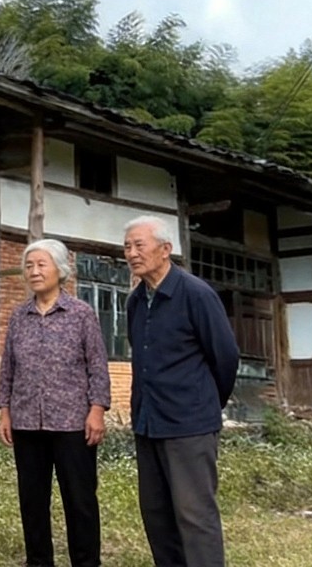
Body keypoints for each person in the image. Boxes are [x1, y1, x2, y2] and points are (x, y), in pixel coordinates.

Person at [123, 216, 239, 567]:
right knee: (156, 513)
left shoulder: (195, 294)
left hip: (190, 425)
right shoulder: (136, 302)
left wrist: (202, 406)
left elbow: (225, 357)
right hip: (148, 422)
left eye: (138, 245)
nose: (131, 253)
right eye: (127, 247)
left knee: (194, 514)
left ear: (165, 249)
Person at [0, 238, 112, 567]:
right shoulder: (20, 317)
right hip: (27, 422)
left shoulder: (81, 314)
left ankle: (86, 562)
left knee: (80, 501)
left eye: (41, 264)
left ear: (60, 270)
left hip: (73, 423)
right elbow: (9, 367)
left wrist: (97, 410)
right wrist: (5, 411)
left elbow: (97, 366)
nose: (33, 271)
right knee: (32, 501)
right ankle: (39, 561)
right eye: (29, 265)